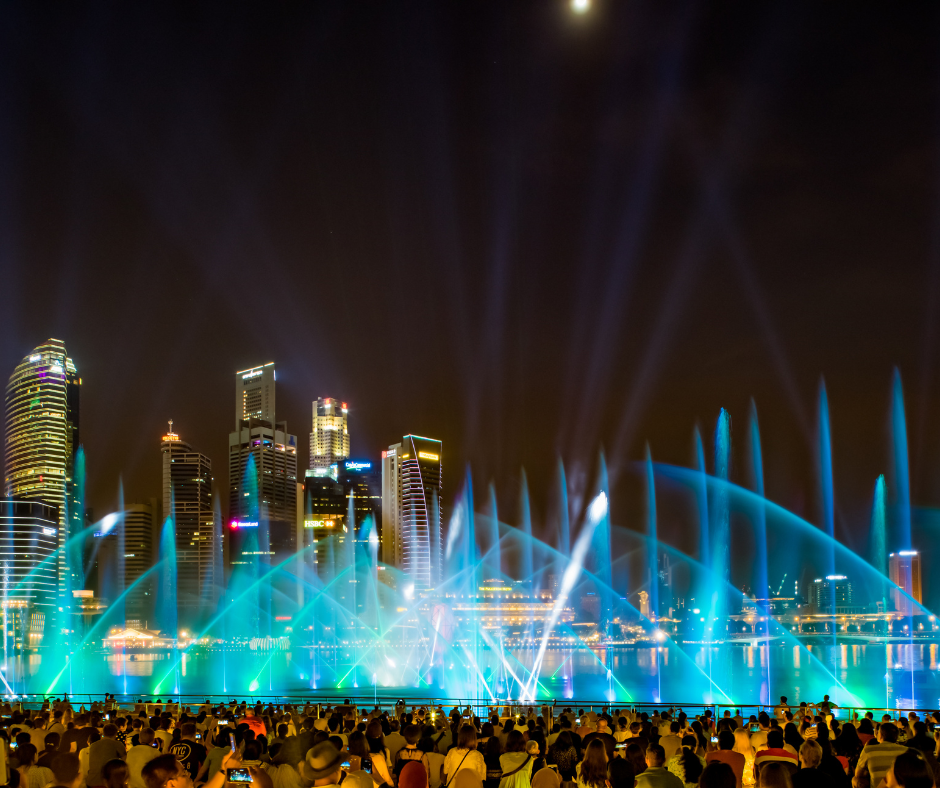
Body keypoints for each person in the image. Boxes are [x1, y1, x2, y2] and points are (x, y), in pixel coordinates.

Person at [855, 722, 911, 788]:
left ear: (880, 735)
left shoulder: (869, 750)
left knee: (855, 780)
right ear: (896, 736)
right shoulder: (907, 750)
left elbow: (858, 774)